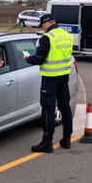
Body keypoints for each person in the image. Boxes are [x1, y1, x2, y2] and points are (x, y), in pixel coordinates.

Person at [23, 13, 74, 153]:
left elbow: (39, 59)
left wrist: (27, 58)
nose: (42, 28)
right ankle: (67, 139)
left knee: (48, 108)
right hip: (64, 76)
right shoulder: (67, 35)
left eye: (42, 25)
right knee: (65, 106)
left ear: (47, 23)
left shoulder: (47, 38)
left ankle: (47, 143)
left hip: (50, 78)